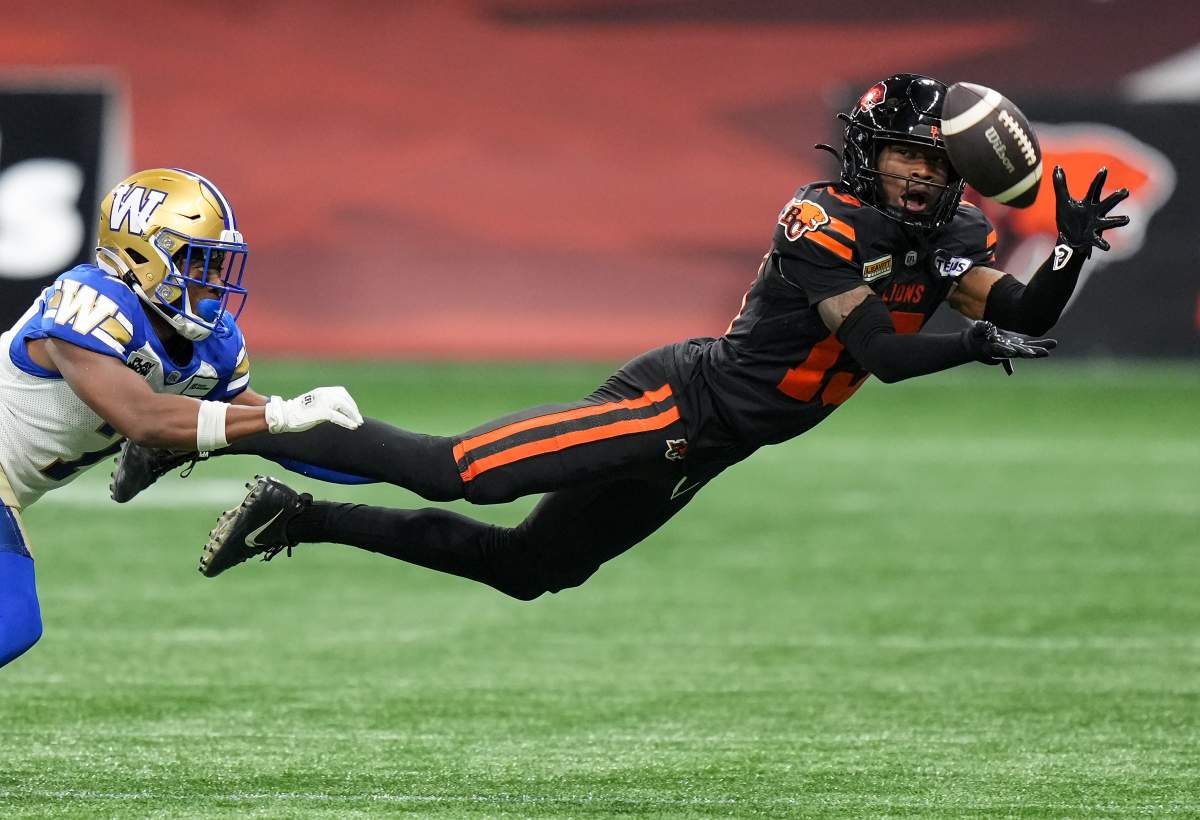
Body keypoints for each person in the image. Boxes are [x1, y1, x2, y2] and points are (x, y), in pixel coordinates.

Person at [111, 75, 1129, 600]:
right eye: (907, 156)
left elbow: (1026, 312)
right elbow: (886, 357)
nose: (919, 174)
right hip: (675, 404)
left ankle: (299, 517)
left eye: (933, 160)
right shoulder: (823, 219)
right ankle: (208, 424)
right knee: (461, 472)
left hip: (711, 446)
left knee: (530, 569)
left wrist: (1068, 250)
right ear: (875, 154)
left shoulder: (949, 233)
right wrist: (971, 347)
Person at [0, 168, 364, 668]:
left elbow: (283, 433)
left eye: (218, 265)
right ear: (141, 256)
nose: (213, 281)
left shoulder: (199, 348)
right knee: (12, 619)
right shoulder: (90, 303)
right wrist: (279, 414)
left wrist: (422, 464)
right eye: (198, 261)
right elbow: (143, 419)